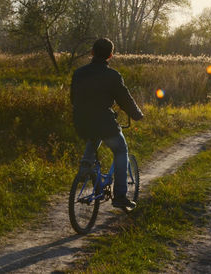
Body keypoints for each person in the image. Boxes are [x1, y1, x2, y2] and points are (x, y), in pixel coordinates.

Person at [71, 38, 144, 209]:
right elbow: (124, 99)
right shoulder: (112, 76)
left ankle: (85, 166)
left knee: (93, 134)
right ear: (110, 56)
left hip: (81, 122)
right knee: (120, 150)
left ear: (92, 52)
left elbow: (73, 99)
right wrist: (136, 114)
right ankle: (119, 195)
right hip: (103, 122)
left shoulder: (78, 73)